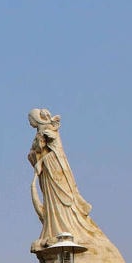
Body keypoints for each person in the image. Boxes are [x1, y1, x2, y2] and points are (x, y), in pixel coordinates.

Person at [27, 108, 95, 253]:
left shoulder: (49, 132)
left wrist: (41, 162)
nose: (30, 122)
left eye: (30, 119)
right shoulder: (40, 133)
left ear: (35, 119)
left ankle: (64, 229)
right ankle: (52, 230)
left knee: (60, 200)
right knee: (51, 201)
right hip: (46, 172)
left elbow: (56, 153)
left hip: (54, 168)